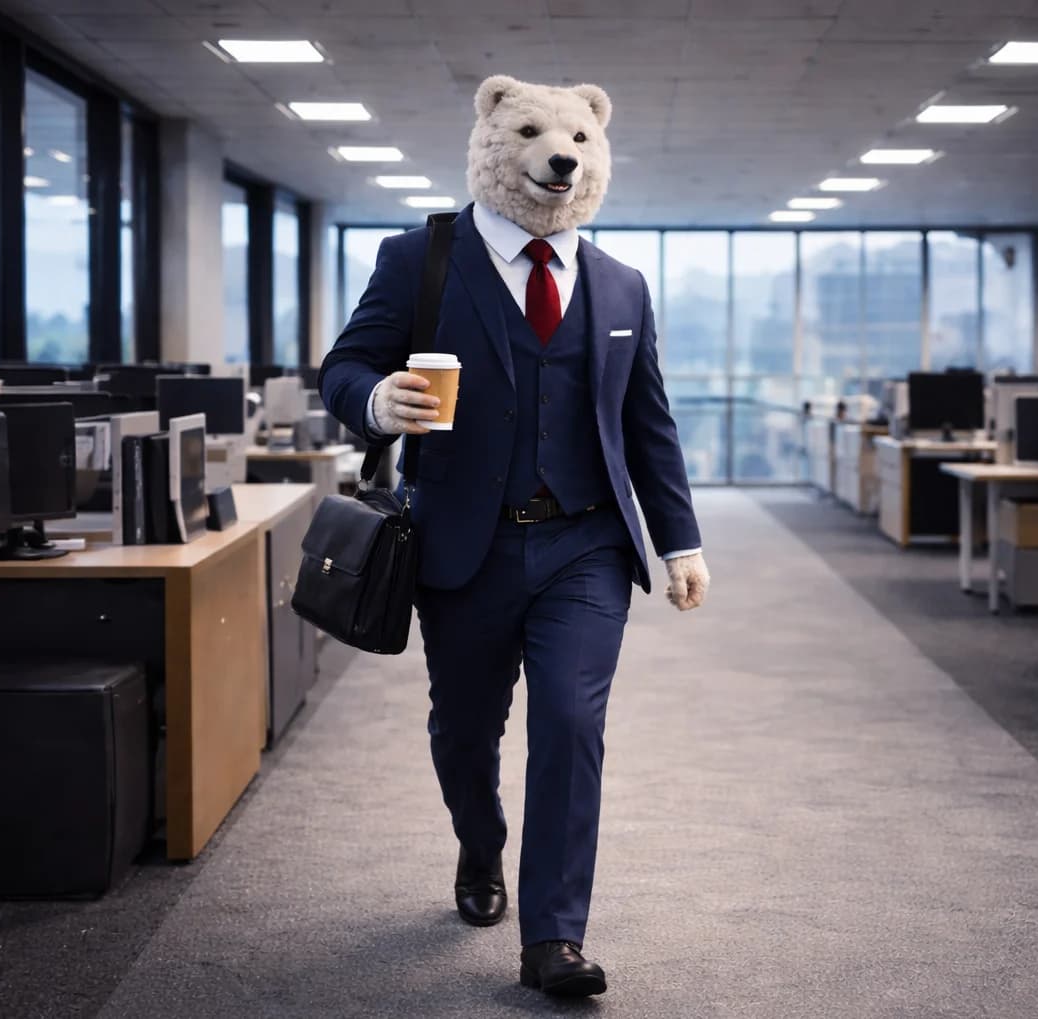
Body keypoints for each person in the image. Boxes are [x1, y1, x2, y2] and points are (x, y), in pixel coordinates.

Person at [321, 74, 709, 998]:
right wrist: (375, 400)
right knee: (464, 729)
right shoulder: (420, 257)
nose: (557, 155)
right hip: (464, 544)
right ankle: (478, 840)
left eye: (573, 139)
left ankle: (555, 938)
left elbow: (646, 423)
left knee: (571, 724)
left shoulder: (620, 284)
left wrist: (679, 541)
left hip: (586, 544)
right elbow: (346, 365)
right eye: (533, 133)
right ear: (496, 132)